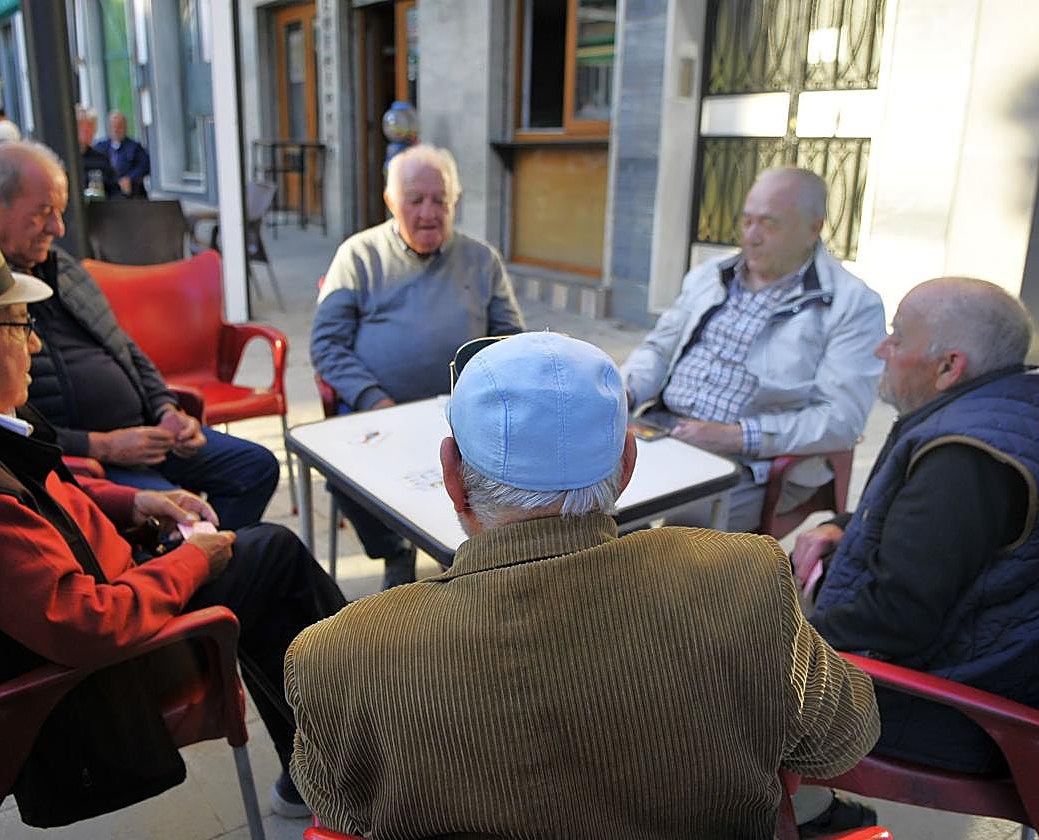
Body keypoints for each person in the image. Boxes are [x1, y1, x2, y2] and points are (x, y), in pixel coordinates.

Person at [0, 217, 345, 821]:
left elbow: (38, 489)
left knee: (259, 550)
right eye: (18, 325)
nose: (33, 345)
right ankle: (348, 770)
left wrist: (132, 502)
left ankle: (317, 768)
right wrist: (191, 560)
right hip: (94, 687)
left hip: (94, 594)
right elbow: (87, 623)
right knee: (274, 560)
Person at [286, 331, 879, 839]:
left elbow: (338, 810)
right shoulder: (743, 578)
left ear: (452, 477)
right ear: (626, 466)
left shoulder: (340, 655)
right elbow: (844, 736)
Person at [789, 277, 1038, 814]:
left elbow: (896, 617)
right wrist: (843, 526)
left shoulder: (965, 457)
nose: (882, 348)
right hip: (983, 676)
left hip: (958, 714)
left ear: (950, 366)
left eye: (898, 339)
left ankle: (807, 816)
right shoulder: (1002, 412)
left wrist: (776, 640)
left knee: (715, 675)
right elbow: (944, 534)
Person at [0, 142, 280, 532]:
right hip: (87, 461)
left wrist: (167, 411)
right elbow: (1, 429)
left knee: (255, 468)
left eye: (60, 213)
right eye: (43, 213)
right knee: (182, 521)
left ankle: (211, 570)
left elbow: (124, 348)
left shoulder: (61, 265)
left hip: (147, 435)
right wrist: (102, 445)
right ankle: (197, 568)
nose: (58, 229)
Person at [621, 167, 885, 532]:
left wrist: (735, 436)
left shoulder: (852, 305)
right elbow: (660, 347)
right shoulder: (711, 275)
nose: (751, 237)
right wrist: (627, 390)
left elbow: (840, 419)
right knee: (587, 504)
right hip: (664, 430)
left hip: (746, 460)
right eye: (746, 221)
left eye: (769, 224)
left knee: (679, 553)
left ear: (814, 228)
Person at [310, 143, 525, 587]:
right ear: (391, 202)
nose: (429, 212)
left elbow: (511, 342)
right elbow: (327, 344)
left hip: (463, 411)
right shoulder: (359, 256)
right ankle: (394, 549)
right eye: (416, 200)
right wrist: (375, 398)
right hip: (379, 407)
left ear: (455, 202)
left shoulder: (481, 260)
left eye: (440, 199)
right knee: (341, 473)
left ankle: (473, 560)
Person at [94, 111, 150, 198]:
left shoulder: (135, 147)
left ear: (125, 127)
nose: (116, 129)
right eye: (113, 126)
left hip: (133, 194)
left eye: (119, 126)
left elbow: (144, 166)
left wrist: (129, 178)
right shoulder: (100, 147)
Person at [76, 106, 120, 200]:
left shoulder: (101, 159)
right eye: (84, 129)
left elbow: (115, 191)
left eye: (91, 129)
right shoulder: (61, 160)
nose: (88, 133)